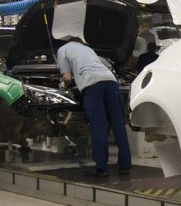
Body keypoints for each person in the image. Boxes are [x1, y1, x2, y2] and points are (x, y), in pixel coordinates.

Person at [56, 36, 131, 177]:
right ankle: (124, 166)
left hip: (91, 84)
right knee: (118, 124)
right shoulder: (88, 49)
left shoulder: (63, 49)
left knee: (98, 125)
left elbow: (67, 77)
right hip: (111, 81)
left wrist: (63, 86)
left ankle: (102, 168)